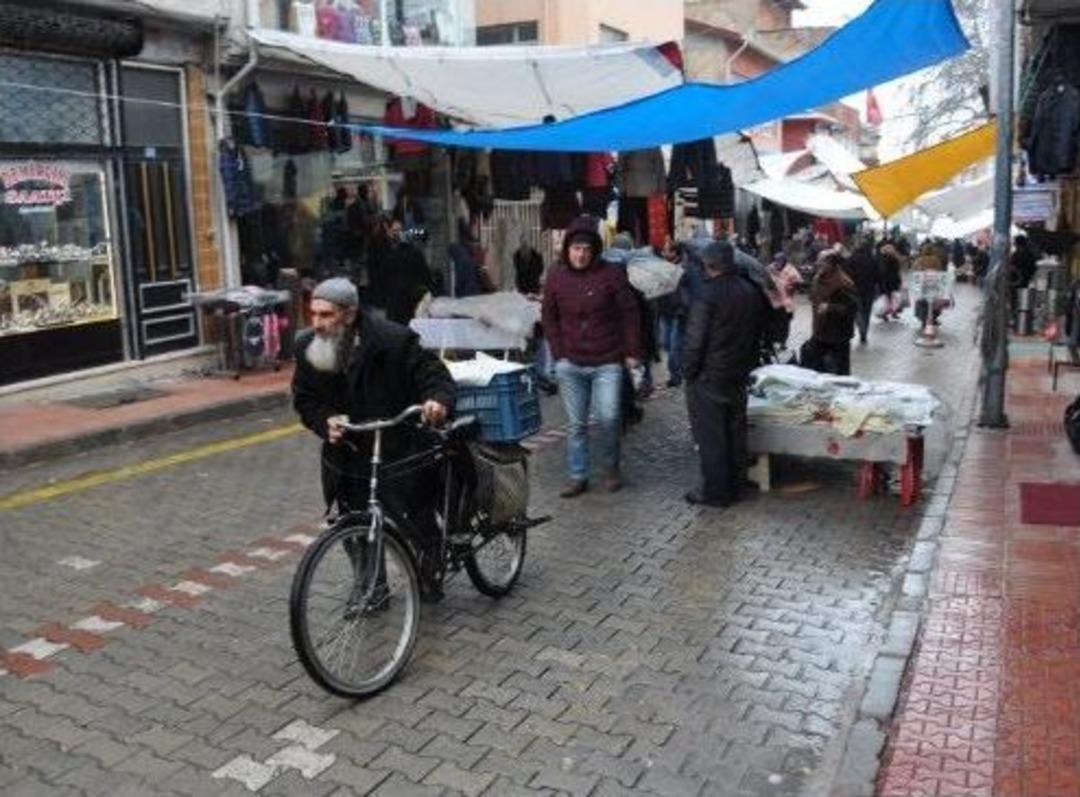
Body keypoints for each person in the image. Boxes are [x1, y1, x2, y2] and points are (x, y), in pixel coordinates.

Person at [292, 277, 456, 596]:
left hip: (397, 444)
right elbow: (305, 398)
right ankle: (371, 587)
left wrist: (437, 401)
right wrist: (324, 421)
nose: (317, 323)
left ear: (350, 314)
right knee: (354, 523)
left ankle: (428, 564)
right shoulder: (306, 346)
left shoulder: (392, 339)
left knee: (412, 516)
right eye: (314, 314)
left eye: (326, 315)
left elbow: (434, 376)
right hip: (348, 450)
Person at [542, 216, 642, 497]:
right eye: (576, 249)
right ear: (567, 250)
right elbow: (549, 316)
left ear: (595, 250)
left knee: (609, 417)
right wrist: (559, 353)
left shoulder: (611, 274)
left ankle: (611, 468)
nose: (581, 254)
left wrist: (632, 351)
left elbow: (629, 313)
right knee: (576, 424)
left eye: (586, 249)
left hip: (607, 360)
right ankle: (578, 475)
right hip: (570, 363)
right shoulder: (556, 276)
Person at [683, 240, 769, 508]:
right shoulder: (750, 290)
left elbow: (695, 339)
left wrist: (689, 372)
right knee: (734, 430)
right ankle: (736, 485)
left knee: (712, 436)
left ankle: (716, 492)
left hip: (710, 374)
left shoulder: (707, 295)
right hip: (739, 370)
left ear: (708, 265)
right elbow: (760, 331)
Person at [802, 252, 858, 375]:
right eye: (818, 260)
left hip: (838, 334)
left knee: (839, 369)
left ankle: (843, 390)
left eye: (822, 261)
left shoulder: (843, 283)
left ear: (831, 264)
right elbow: (815, 294)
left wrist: (830, 307)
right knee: (814, 364)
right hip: (820, 330)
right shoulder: (819, 277)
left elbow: (851, 308)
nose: (818, 263)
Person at [656, 237, 690, 387]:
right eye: (663, 250)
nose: (663, 253)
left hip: (678, 312)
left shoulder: (682, 268)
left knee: (675, 346)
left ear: (675, 253)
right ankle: (678, 372)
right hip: (665, 311)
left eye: (666, 250)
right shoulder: (663, 267)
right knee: (667, 344)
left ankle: (676, 377)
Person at [846, 239, 882, 345]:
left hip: (855, 290)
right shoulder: (873, 259)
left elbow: (847, 274)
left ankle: (861, 328)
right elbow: (878, 275)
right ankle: (864, 333)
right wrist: (879, 287)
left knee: (857, 311)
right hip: (869, 290)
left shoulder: (851, 259)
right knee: (867, 312)